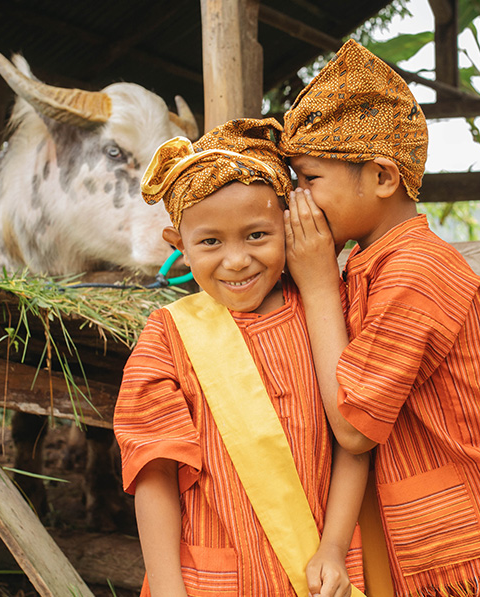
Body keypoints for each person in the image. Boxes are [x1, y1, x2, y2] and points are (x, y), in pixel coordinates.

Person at [280, 39, 480, 597]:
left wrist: (319, 285)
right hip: (449, 541)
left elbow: (352, 427)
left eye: (309, 179)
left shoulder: (413, 272)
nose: (298, 201)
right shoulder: (371, 265)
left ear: (382, 178)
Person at [114, 117, 369, 597]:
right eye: (210, 241)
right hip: (215, 579)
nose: (236, 261)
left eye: (257, 235)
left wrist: (334, 546)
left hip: (323, 571)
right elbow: (154, 471)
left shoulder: (324, 315)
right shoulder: (168, 337)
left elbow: (356, 438)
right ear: (180, 248)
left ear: (289, 226)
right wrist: (169, 590)